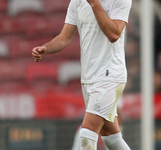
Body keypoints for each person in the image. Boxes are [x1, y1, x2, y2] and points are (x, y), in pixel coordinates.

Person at [32, 0, 132, 149]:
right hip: (89, 77)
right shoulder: (77, 2)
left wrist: (95, 4)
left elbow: (114, 33)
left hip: (109, 75)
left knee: (86, 134)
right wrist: (46, 48)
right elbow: (64, 37)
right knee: (111, 138)